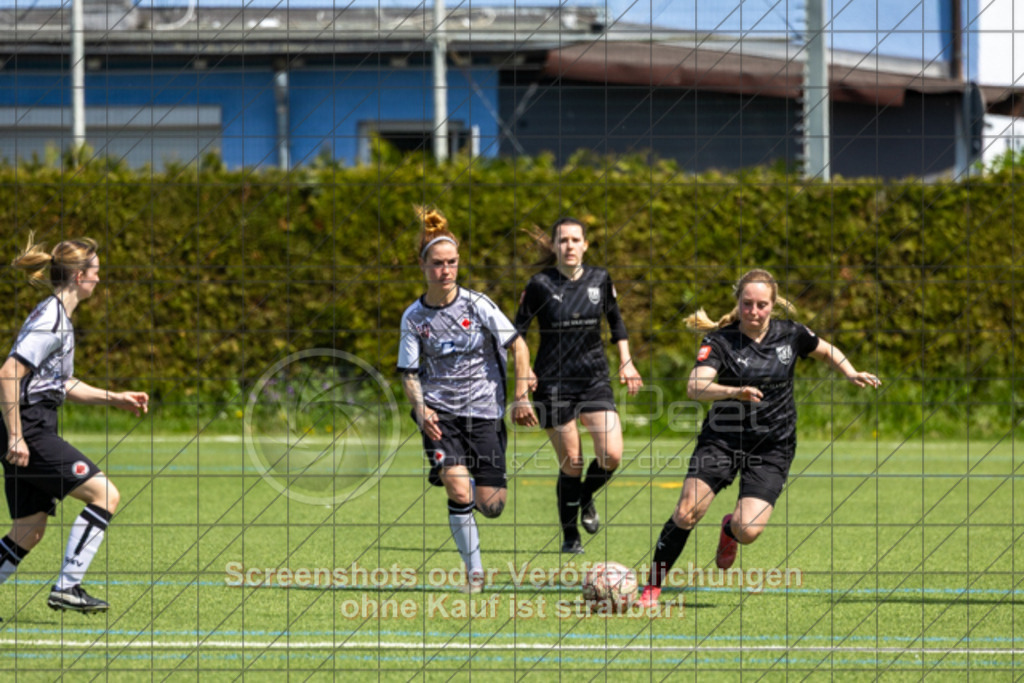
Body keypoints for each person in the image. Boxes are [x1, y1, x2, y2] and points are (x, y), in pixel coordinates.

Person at [637, 268, 880, 606]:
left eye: (762, 305)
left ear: (773, 304)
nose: (754, 312)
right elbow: (695, 387)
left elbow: (826, 350)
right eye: (748, 304)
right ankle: (652, 586)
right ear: (738, 303)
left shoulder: (791, 334)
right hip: (722, 440)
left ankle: (729, 532)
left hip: (773, 445)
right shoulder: (720, 341)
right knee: (688, 510)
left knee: (748, 530)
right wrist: (734, 392)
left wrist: (850, 372)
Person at [0, 233, 149, 615]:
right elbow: (8, 374)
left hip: (33, 425)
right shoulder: (51, 319)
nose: (100, 279)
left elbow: (62, 383)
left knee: (29, 529)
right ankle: (68, 588)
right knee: (105, 495)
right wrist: (16, 435)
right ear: (79, 276)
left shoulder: (59, 319)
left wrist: (114, 397)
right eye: (96, 271)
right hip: (28, 427)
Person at [397, 206, 537, 593]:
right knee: (459, 491)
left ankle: (452, 472)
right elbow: (409, 373)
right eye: (438, 264)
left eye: (452, 262)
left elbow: (519, 346)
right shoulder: (413, 317)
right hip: (440, 414)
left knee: (492, 506)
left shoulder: (478, 305)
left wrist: (522, 394)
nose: (446, 270)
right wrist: (420, 407)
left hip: (485, 412)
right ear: (423, 266)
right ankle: (474, 574)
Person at [514, 217, 643, 554]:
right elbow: (518, 335)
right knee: (572, 461)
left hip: (594, 378)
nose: (569, 246)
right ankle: (570, 536)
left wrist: (626, 361)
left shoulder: (600, 278)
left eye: (575, 240)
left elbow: (616, 322)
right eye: (563, 240)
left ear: (586, 244)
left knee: (611, 455)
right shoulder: (539, 284)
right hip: (553, 382)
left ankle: (585, 497)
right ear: (554, 246)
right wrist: (523, 380)